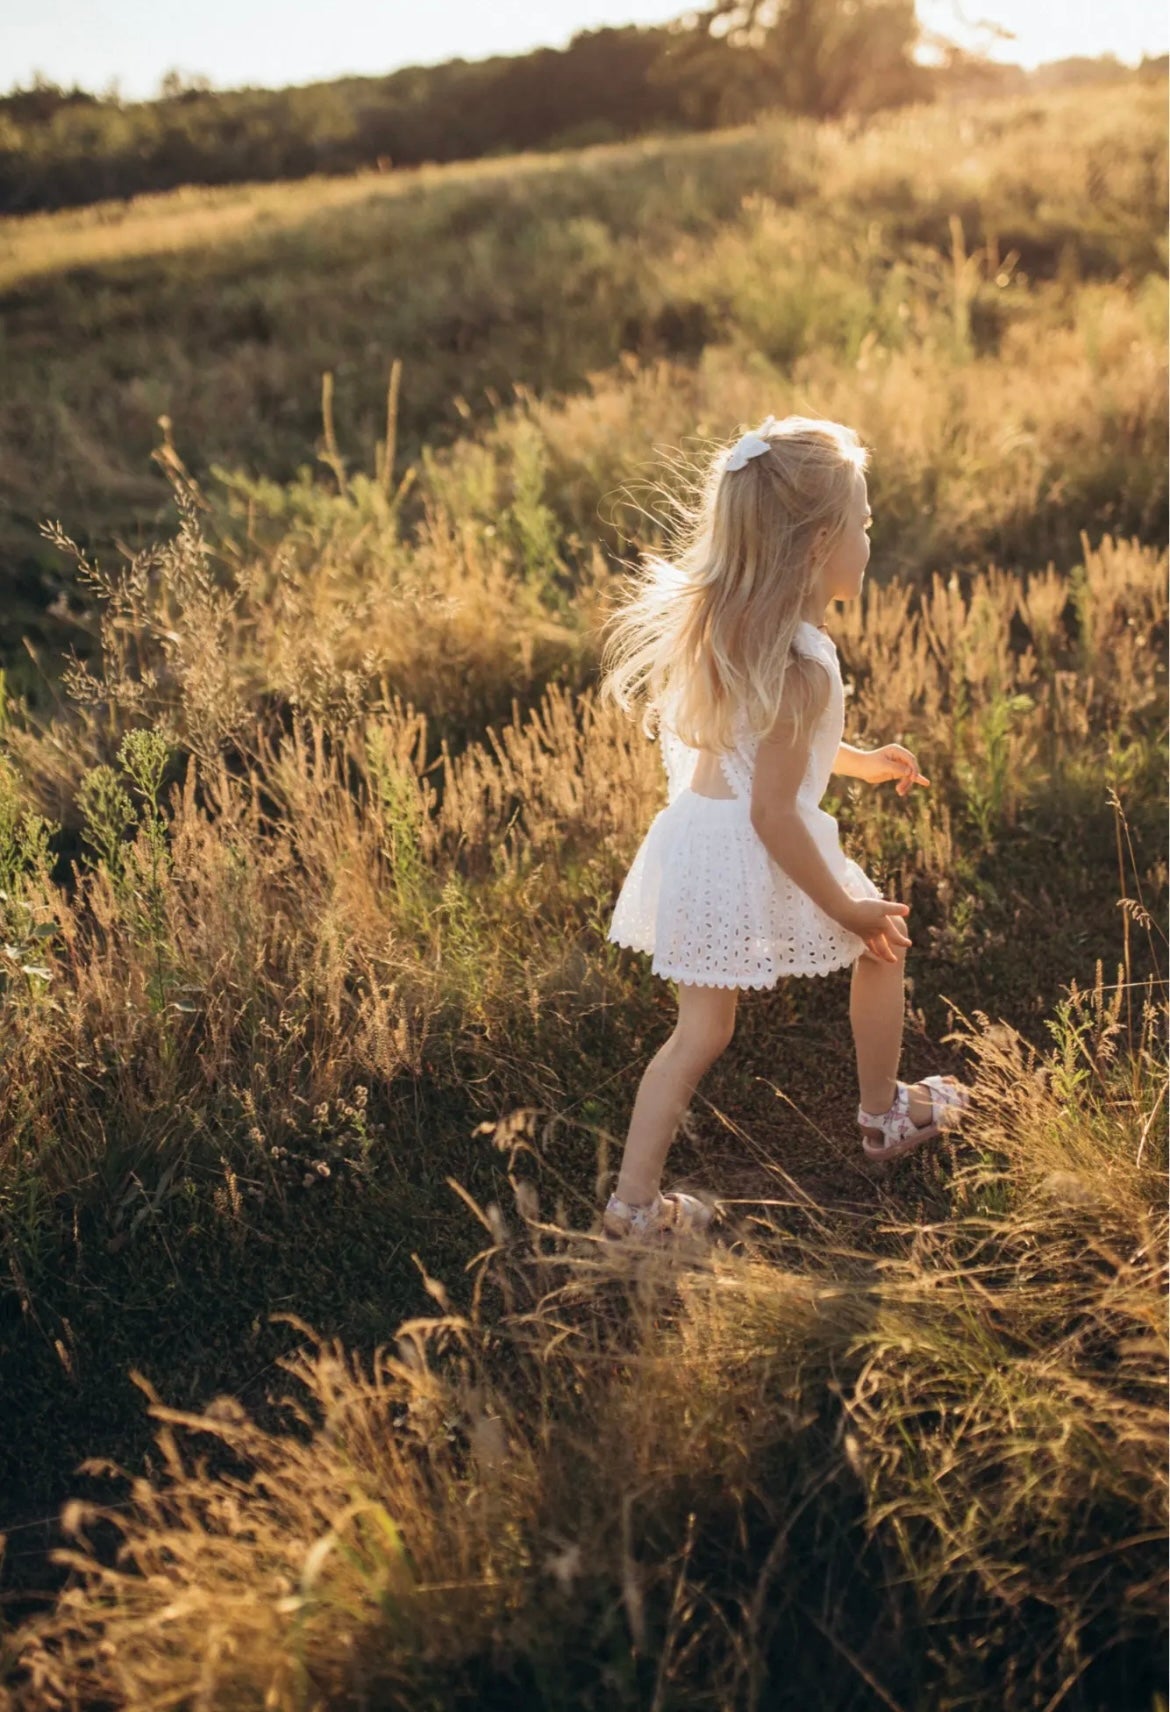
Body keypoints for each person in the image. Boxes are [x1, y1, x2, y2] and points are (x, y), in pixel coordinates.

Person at [596, 414, 969, 1243]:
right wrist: (845, 907)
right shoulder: (800, 663)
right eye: (866, 526)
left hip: (696, 841)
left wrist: (860, 759)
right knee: (882, 942)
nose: (872, 541)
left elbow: (767, 752)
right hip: (754, 846)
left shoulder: (741, 630)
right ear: (819, 546)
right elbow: (771, 812)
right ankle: (885, 1115)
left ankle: (632, 1209)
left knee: (697, 1035)